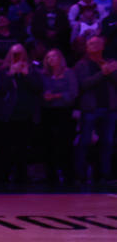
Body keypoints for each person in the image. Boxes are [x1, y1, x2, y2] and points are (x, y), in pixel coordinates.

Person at [0, 45, 42, 184]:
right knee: (5, 148)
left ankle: (22, 177)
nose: (17, 56)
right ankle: (2, 177)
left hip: (26, 115)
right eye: (14, 53)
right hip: (8, 115)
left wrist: (27, 75)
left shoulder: (33, 70)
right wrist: (10, 74)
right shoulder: (2, 72)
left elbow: (38, 88)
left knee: (23, 148)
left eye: (20, 53)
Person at [73, 34, 117, 183]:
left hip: (109, 108)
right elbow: (83, 85)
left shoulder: (110, 62)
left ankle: (104, 174)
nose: (95, 46)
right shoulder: (81, 64)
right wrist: (103, 73)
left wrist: (110, 72)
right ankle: (80, 175)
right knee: (84, 142)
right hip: (90, 109)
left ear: (103, 46)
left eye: (98, 43)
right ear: (86, 47)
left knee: (108, 143)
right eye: (92, 44)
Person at [39, 49, 78, 185]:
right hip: (47, 112)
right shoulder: (43, 75)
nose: (51, 59)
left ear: (60, 58)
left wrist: (57, 96)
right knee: (48, 144)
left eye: (54, 56)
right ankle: (51, 176)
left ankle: (68, 176)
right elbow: (38, 91)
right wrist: (44, 96)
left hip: (64, 112)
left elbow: (73, 93)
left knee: (65, 144)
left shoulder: (69, 73)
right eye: (48, 57)